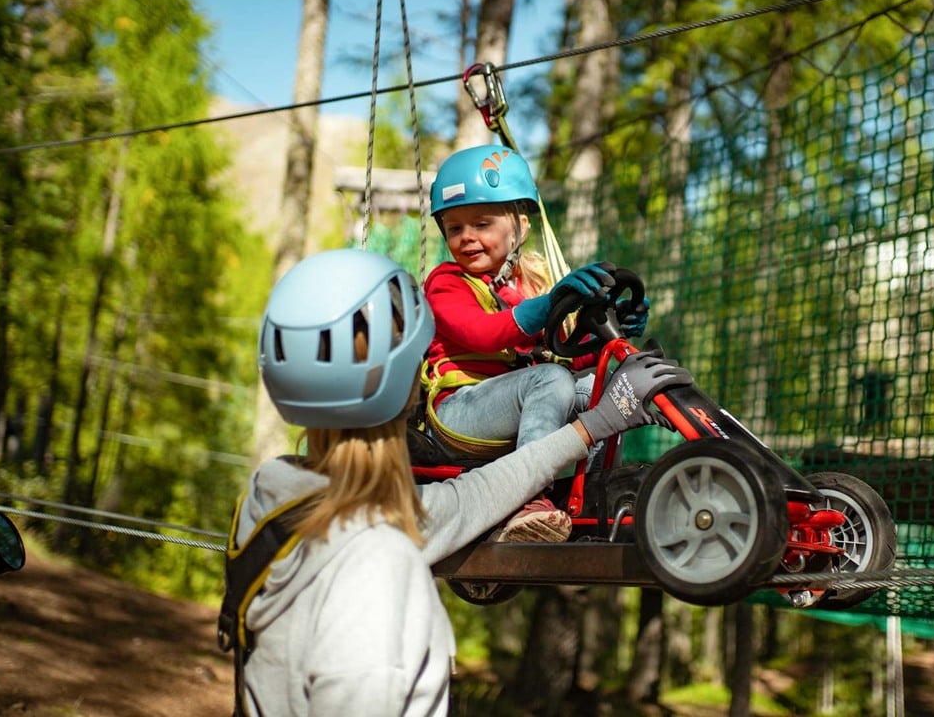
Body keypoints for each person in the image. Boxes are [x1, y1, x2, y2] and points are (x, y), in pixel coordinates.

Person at [231, 247, 689, 717]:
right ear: (411, 378)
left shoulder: (268, 495)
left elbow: (468, 498)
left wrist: (591, 426)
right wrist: (594, 423)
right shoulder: (379, 568)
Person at [422, 144, 651, 543]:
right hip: (458, 410)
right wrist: (545, 307)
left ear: (520, 227)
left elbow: (565, 355)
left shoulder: (527, 284)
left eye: (481, 223)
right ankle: (528, 499)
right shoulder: (446, 283)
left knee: (603, 388)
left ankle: (592, 496)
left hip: (514, 405)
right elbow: (484, 333)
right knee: (549, 379)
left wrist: (614, 331)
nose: (467, 238)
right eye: (455, 228)